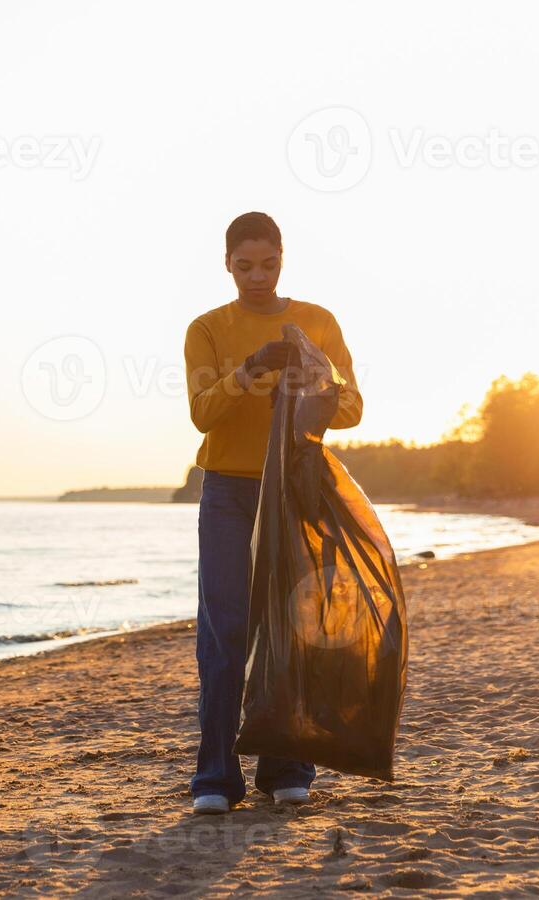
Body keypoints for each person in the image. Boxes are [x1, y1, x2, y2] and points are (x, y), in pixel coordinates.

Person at [182, 211, 363, 816]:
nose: (257, 276)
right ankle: (215, 775)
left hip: (295, 488)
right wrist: (250, 368)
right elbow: (203, 413)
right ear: (227, 264)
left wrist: (317, 371)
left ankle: (288, 765)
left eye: (268, 263)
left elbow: (352, 409)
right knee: (225, 632)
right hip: (228, 493)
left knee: (291, 628)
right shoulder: (207, 328)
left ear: (283, 258)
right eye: (244, 265)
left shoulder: (318, 321)